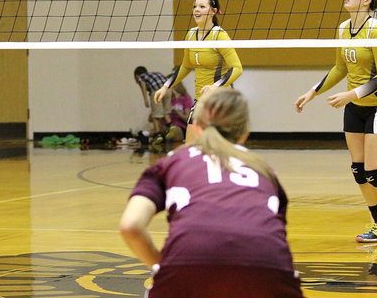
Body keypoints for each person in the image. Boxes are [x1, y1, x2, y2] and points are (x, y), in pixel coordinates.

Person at [120, 88, 303, 298]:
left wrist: (161, 265)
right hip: (267, 265)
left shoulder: (171, 162)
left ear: (196, 127)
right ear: (245, 132)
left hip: (188, 262)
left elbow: (130, 226)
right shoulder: (264, 169)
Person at [295, 0, 377, 243]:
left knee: (376, 173)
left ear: (367, 0)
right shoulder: (344, 28)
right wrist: (312, 92)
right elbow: (340, 68)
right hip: (355, 108)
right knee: (359, 171)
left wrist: (351, 93)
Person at [153, 0, 243, 142]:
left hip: (220, 99)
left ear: (213, 12)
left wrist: (214, 86)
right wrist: (165, 86)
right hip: (200, 99)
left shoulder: (219, 35)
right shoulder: (191, 34)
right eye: (195, 6)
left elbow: (237, 68)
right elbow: (186, 66)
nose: (197, 10)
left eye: (202, 7)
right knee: (190, 146)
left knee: (219, 149)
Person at [133, 66, 171, 144]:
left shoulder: (142, 77)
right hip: (168, 90)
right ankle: (171, 127)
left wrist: (145, 100)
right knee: (165, 112)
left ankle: (158, 134)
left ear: (136, 76)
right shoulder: (156, 73)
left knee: (155, 114)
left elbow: (143, 88)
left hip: (157, 91)